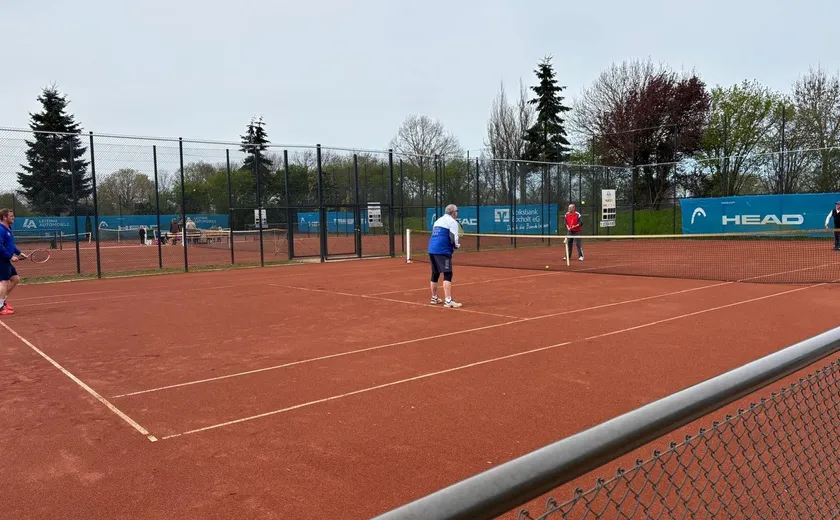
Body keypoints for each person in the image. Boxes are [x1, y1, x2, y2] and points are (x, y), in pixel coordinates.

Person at [427, 204, 462, 308]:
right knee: (448, 274)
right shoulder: (452, 222)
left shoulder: (438, 221)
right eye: (457, 211)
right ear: (453, 212)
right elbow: (453, 237)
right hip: (442, 250)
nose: (457, 213)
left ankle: (434, 298)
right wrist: (457, 245)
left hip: (432, 249)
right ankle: (448, 301)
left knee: (435, 273)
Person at [0, 209, 27, 316]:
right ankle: (0, 306)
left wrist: (19, 253)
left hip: (6, 260)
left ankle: (3, 301)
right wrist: (10, 256)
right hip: (2, 259)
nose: (13, 217)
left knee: (15, 279)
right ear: (4, 217)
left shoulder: (8, 228)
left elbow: (9, 245)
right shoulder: (1, 229)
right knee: (4, 282)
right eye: (11, 216)